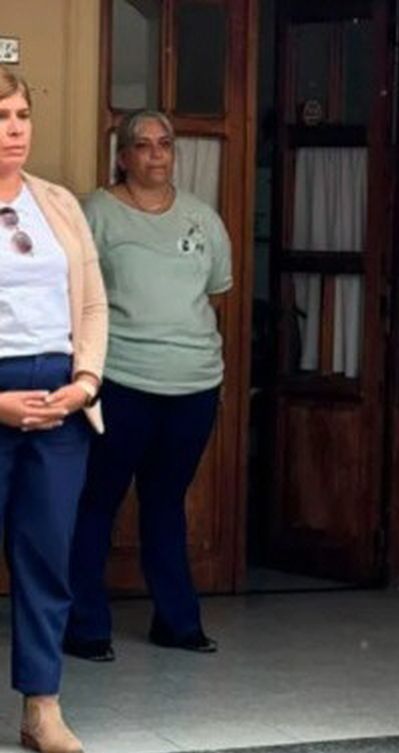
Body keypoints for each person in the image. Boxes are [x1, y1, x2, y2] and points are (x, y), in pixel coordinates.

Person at [64, 110, 232, 662]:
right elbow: (75, 295)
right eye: (143, 145)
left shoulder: (202, 218)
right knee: (98, 501)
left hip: (194, 384)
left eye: (165, 144)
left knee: (165, 501)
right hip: (121, 381)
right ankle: (86, 626)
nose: (156, 155)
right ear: (123, 155)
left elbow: (214, 291)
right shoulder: (96, 213)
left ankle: (177, 621)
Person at [0, 67, 108, 753]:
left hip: (62, 403)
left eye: (20, 115)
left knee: (46, 560)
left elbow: (94, 302)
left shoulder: (59, 203)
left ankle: (43, 707)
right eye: (0, 116)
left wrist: (86, 382)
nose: (13, 130)